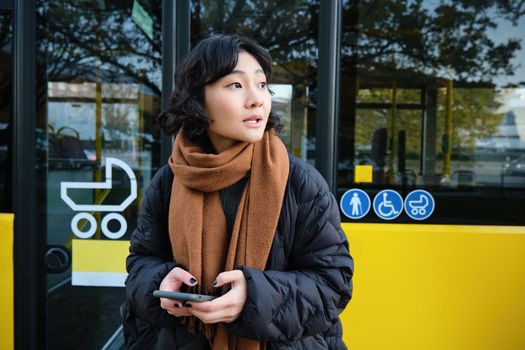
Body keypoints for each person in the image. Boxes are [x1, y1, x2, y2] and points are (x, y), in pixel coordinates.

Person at [125, 34, 353, 349]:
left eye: (261, 85)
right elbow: (141, 262)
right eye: (236, 85)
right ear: (197, 98)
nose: (256, 98)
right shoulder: (169, 179)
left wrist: (255, 297)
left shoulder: (300, 182)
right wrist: (160, 284)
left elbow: (333, 284)